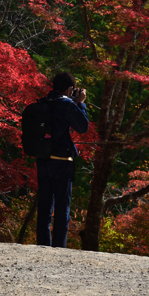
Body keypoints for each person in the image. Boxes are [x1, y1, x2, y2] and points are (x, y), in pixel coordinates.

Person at [35, 71, 89, 247]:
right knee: (62, 207)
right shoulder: (66, 104)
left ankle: (43, 244)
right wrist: (80, 103)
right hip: (62, 160)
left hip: (42, 158)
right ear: (70, 88)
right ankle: (59, 247)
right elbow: (82, 127)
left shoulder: (43, 102)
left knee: (44, 204)